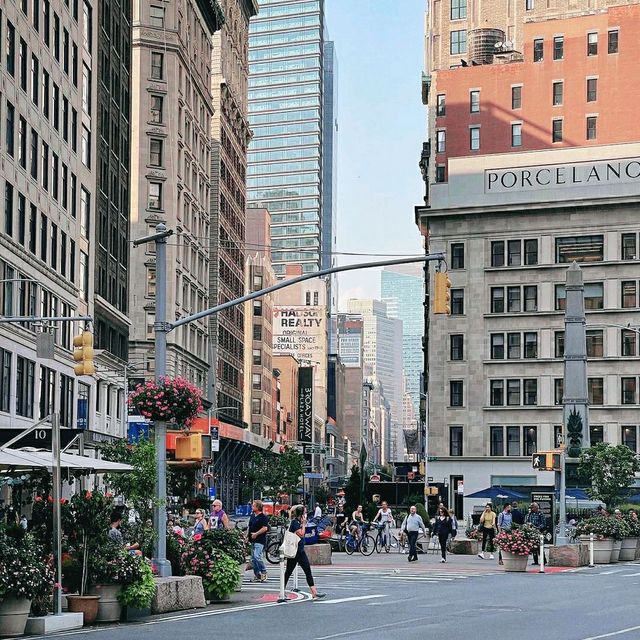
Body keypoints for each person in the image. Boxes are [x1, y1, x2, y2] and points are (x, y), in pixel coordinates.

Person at [284, 505, 326, 599]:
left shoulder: (297, 522)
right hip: (296, 551)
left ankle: (314, 592)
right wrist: (303, 524)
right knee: (289, 572)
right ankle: (282, 592)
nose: (306, 515)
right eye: (305, 513)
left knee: (306, 571)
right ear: (301, 514)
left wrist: (303, 523)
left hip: (299, 550)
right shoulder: (295, 523)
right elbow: (301, 534)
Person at [248, 500, 270, 582]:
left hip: (260, 540)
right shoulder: (252, 516)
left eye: (253, 506)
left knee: (257, 556)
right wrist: (247, 536)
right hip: (252, 540)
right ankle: (257, 575)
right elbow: (249, 527)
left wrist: (256, 534)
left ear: (258, 507)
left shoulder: (263, 517)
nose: (252, 507)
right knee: (253, 559)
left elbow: (265, 528)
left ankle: (264, 572)